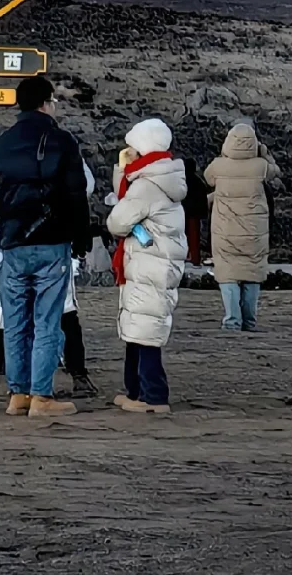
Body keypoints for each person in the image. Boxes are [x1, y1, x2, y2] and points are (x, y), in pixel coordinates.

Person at [0, 75, 90, 419]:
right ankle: (42, 396)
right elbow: (76, 193)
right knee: (46, 321)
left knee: (15, 322)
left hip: (13, 243)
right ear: (46, 102)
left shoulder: (1, 142)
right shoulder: (62, 141)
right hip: (52, 241)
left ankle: (18, 395)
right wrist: (81, 235)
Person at [0, 162, 100, 396]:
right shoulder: (56, 164)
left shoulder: (1, 170)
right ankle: (67, 378)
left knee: (11, 317)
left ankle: (15, 382)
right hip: (49, 250)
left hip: (8, 253)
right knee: (57, 316)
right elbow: (83, 186)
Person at [106, 119, 187, 415]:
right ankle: (138, 391)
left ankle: (152, 395)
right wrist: (122, 171)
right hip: (157, 264)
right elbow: (127, 203)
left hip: (147, 266)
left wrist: (121, 170)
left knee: (144, 332)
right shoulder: (163, 177)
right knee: (142, 329)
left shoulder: (146, 186)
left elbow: (117, 219)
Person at [204, 123, 280, 332]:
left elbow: (207, 178)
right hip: (254, 230)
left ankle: (232, 320)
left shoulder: (218, 165)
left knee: (227, 274)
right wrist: (265, 155)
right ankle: (249, 320)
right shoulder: (260, 166)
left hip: (225, 230)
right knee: (252, 274)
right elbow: (275, 172)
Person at [181, 158, 209, 267]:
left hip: (182, 213)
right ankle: (195, 259)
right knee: (194, 238)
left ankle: (182, 257)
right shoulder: (198, 182)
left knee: (181, 237)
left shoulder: (180, 181)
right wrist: (203, 214)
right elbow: (203, 199)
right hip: (194, 215)